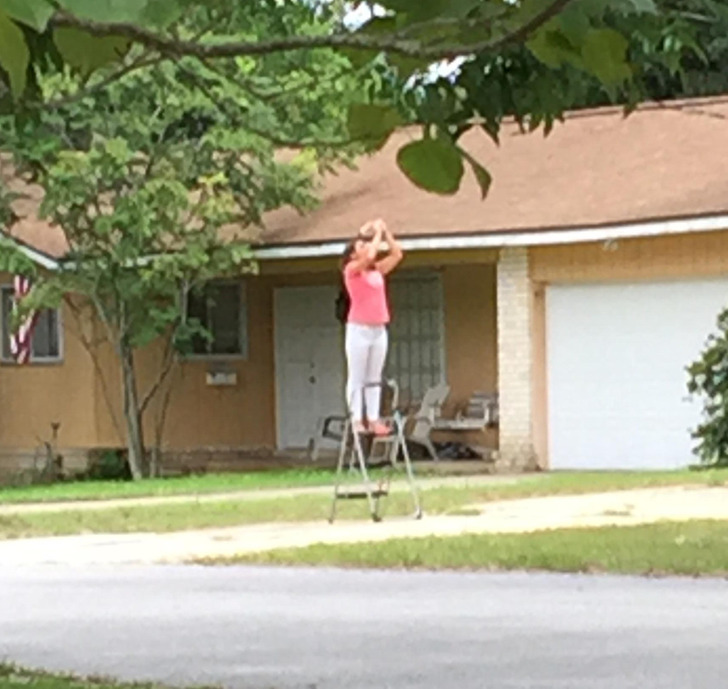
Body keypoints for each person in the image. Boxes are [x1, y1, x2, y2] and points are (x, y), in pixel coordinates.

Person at [341, 218, 403, 435]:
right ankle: (357, 417)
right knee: (357, 375)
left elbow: (396, 255)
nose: (367, 247)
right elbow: (368, 256)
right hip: (359, 329)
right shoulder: (352, 270)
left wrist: (385, 232)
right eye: (361, 246)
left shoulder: (376, 270)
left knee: (374, 377)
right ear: (352, 255)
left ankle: (374, 418)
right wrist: (375, 233)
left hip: (378, 329)